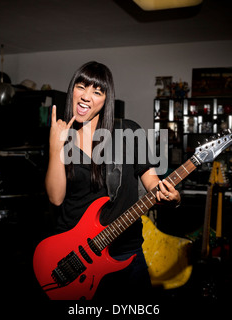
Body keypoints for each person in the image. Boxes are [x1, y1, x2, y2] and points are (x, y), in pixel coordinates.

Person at [45, 61, 181, 300]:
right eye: (81, 87)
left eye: (97, 91)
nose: (87, 96)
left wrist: (170, 196)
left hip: (124, 250)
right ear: (72, 91)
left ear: (105, 99)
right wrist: (56, 147)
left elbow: (151, 180)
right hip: (73, 254)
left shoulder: (128, 133)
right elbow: (56, 198)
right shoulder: (62, 138)